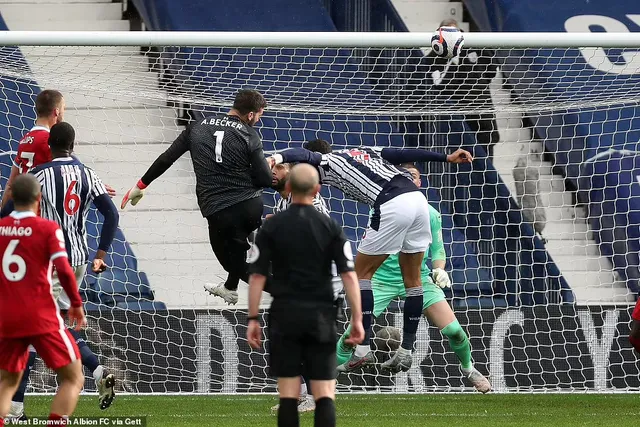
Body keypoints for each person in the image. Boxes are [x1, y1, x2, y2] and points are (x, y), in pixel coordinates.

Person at [268, 139, 472, 373]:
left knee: (360, 274)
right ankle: (406, 350)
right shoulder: (365, 151)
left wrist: (276, 158)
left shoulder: (327, 161)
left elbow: (301, 154)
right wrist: (445, 157)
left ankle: (363, 349)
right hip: (419, 202)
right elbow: (402, 152)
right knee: (413, 281)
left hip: (392, 203)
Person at [335, 164, 491, 391]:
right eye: (403, 176)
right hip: (382, 280)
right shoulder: (382, 208)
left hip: (420, 278)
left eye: (413, 176)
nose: (408, 178)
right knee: (353, 333)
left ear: (418, 183)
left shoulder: (432, 214)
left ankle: (469, 368)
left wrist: (439, 269)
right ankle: (329, 377)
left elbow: (438, 250)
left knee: (454, 331)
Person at [121, 89, 272, 305]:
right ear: (250, 115)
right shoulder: (249, 135)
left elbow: (166, 159)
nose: (259, 119)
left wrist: (140, 185)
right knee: (237, 246)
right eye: (259, 115)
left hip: (219, 211)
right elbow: (265, 180)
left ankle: (284, 293)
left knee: (234, 265)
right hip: (251, 208)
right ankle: (230, 288)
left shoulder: (197, 127)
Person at [246, 164, 363, 427]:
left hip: (284, 314)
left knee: (288, 396)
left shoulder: (272, 228)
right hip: (321, 314)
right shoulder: (331, 227)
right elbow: (349, 275)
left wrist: (252, 318)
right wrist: (357, 318)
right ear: (317, 189)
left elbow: (257, 277)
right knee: (324, 396)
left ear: (287, 188)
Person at [22, 122, 119, 413]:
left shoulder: (38, 175)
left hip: (49, 262)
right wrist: (101, 254)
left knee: (32, 328)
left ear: (49, 145)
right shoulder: (88, 174)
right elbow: (111, 214)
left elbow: (8, 212)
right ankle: (99, 371)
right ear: (73, 146)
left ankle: (14, 408)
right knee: (55, 324)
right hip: (77, 260)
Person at [0, 174, 86, 425]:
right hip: (40, 314)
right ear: (39, 199)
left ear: (12, 198)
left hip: (7, 317)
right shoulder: (48, 228)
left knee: (7, 381)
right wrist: (76, 304)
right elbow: (64, 267)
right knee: (73, 377)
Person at [427, 19, 499, 160]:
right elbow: (437, 85)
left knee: (485, 159)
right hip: (455, 118)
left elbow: (491, 69)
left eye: (453, 33)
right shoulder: (434, 57)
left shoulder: (476, 46)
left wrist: (476, 85)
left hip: (481, 113)